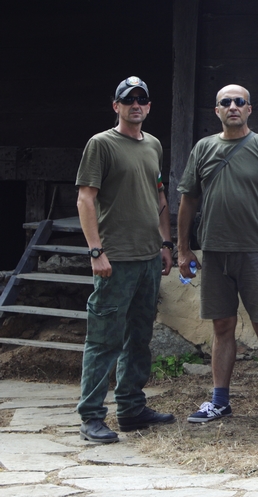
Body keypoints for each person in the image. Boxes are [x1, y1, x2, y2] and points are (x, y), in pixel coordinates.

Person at [177, 84, 258, 426]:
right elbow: (188, 200)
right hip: (214, 253)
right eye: (224, 102)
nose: (232, 106)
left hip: (257, 253)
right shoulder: (203, 149)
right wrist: (184, 249)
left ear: (249, 109)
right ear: (216, 111)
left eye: (238, 101)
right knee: (222, 326)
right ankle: (219, 401)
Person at [76, 76, 176, 443]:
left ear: (148, 107)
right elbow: (86, 199)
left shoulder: (153, 145)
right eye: (128, 99)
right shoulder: (100, 144)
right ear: (116, 106)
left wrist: (166, 243)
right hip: (114, 259)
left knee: (139, 337)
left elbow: (159, 193)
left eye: (142, 99)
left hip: (149, 257)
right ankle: (91, 416)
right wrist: (95, 251)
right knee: (104, 339)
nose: (135, 104)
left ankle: (131, 408)